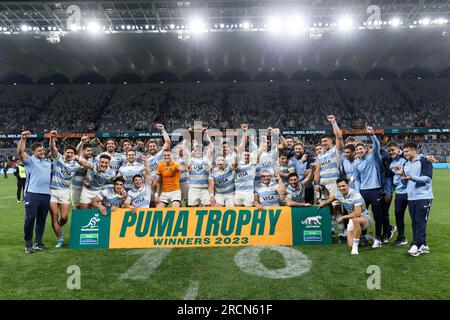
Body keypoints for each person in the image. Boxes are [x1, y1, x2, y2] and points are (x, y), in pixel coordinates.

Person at [353, 126, 394, 248]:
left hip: (375, 190)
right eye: (358, 149)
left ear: (366, 150)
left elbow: (376, 146)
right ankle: (362, 238)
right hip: (363, 192)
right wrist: (357, 192)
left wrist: (372, 135)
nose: (359, 150)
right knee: (361, 216)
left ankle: (378, 239)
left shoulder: (373, 157)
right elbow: (357, 179)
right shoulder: (356, 163)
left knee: (377, 216)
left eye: (361, 148)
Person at [393, 142, 433, 257]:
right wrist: (402, 175)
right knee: (415, 222)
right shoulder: (406, 164)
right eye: (404, 151)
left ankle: (415, 244)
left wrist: (412, 178)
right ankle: (423, 245)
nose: (404, 154)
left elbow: (428, 179)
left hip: (424, 197)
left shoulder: (424, 161)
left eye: (406, 151)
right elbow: (406, 181)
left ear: (414, 151)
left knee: (420, 221)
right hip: (411, 197)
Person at [17, 131, 52, 254]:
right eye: (39, 151)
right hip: (32, 194)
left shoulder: (48, 162)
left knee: (42, 219)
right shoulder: (30, 161)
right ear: (33, 152)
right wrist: (23, 139)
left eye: (42, 150)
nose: (42, 152)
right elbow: (21, 152)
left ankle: (38, 242)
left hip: (46, 194)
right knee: (31, 218)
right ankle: (28, 243)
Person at [318, 178, 373, 255]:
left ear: (348, 185)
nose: (341, 188)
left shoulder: (355, 195)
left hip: (365, 218)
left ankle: (355, 247)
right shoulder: (339, 194)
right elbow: (333, 198)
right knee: (350, 244)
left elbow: (357, 214)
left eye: (343, 186)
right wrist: (323, 204)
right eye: (339, 186)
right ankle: (368, 236)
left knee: (355, 220)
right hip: (352, 218)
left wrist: (343, 217)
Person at [313, 115, 345, 243]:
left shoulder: (336, 151)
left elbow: (339, 136)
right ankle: (331, 232)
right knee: (328, 210)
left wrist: (333, 122)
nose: (324, 143)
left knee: (337, 209)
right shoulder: (320, 156)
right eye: (322, 142)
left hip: (334, 183)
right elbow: (318, 171)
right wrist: (316, 184)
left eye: (326, 141)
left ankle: (342, 233)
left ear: (331, 141)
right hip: (323, 185)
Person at [48, 130, 82, 248]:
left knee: (64, 217)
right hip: (52, 191)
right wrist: (52, 138)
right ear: (64, 152)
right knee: (54, 216)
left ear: (74, 154)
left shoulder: (76, 165)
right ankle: (60, 239)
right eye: (67, 152)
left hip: (64, 192)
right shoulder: (59, 158)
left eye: (71, 153)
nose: (69, 154)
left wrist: (81, 143)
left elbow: (80, 155)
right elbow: (53, 149)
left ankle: (58, 226)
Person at [387, 141, 409, 246]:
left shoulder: (405, 158)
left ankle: (420, 240)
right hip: (400, 193)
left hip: (410, 192)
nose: (391, 152)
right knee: (398, 215)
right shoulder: (391, 163)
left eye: (393, 150)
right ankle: (401, 238)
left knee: (415, 217)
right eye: (389, 151)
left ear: (398, 149)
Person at [146, 124, 171, 206]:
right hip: (150, 186)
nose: (152, 147)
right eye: (150, 146)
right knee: (150, 205)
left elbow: (167, 142)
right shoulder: (146, 160)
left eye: (154, 146)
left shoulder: (160, 154)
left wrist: (163, 130)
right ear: (148, 148)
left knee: (160, 206)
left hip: (160, 185)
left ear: (157, 147)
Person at [186, 132, 213, 207]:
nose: (198, 151)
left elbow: (211, 146)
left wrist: (206, 135)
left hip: (205, 188)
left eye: (200, 150)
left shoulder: (206, 159)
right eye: (196, 150)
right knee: (192, 209)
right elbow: (184, 148)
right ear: (193, 151)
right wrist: (188, 135)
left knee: (207, 208)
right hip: (193, 188)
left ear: (202, 151)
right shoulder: (190, 160)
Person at [72, 137, 94, 209]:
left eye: (91, 150)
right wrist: (82, 143)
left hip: (87, 188)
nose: (90, 152)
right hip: (76, 186)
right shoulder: (78, 157)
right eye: (88, 150)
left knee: (87, 207)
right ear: (83, 151)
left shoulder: (91, 160)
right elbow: (77, 151)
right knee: (77, 207)